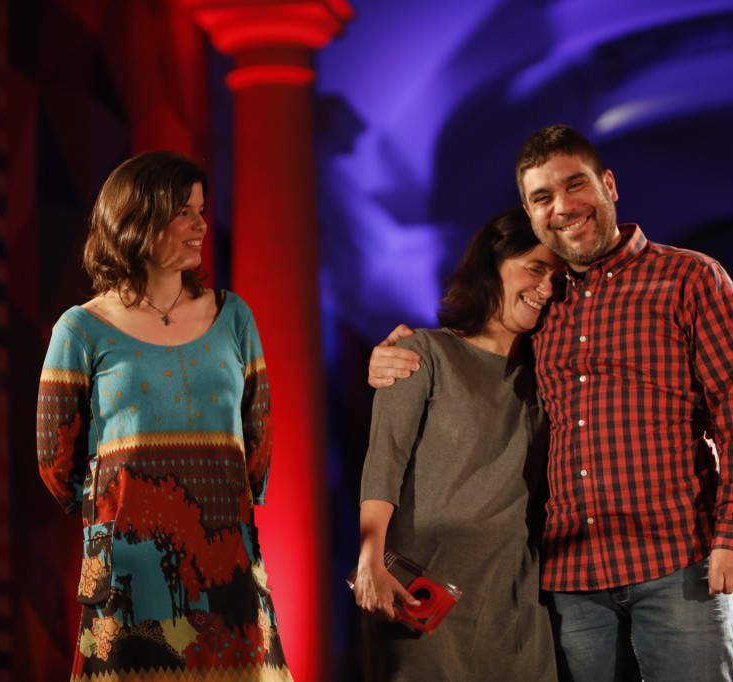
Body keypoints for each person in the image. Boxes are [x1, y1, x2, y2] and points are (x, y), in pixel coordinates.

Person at [368, 124, 733, 682]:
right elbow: (473, 356)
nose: (563, 207)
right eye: (543, 198)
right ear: (529, 212)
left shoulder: (688, 278)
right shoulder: (544, 310)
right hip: (572, 579)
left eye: (575, 185)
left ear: (608, 184)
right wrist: (392, 356)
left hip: (678, 563)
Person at [35, 151, 293, 681]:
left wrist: (216, 509)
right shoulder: (81, 329)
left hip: (227, 558)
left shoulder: (234, 316)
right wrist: (119, 507)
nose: (201, 224)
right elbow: (53, 456)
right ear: (137, 219)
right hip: (128, 565)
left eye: (201, 209)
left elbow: (258, 433)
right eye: (183, 211)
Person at [353, 206, 562, 681]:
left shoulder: (549, 378)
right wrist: (369, 557)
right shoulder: (420, 353)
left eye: (557, 279)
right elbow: (385, 458)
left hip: (515, 598)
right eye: (535, 268)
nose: (547, 289)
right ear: (492, 263)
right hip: (421, 592)